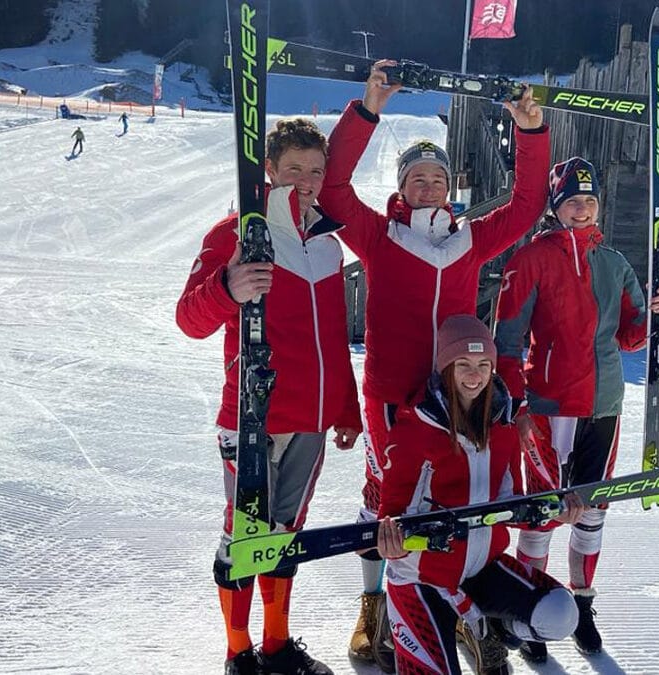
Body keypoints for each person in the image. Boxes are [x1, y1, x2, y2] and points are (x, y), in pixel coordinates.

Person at [316, 59, 550, 672]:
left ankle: (460, 611)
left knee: (462, 498)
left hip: (462, 395)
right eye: (417, 178)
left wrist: (530, 132)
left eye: (436, 178)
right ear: (402, 187)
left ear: (449, 187)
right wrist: (368, 108)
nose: (428, 187)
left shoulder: (469, 239)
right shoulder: (380, 237)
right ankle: (379, 607)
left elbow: (528, 207)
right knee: (387, 503)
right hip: (394, 398)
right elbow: (334, 192)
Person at [176, 118, 362, 675]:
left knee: (285, 534)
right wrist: (226, 288)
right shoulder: (238, 233)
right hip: (253, 416)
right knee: (244, 533)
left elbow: (334, 340)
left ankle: (277, 646)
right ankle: (239, 652)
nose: (306, 181)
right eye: (294, 169)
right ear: (270, 171)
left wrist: (345, 409)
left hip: (311, 421)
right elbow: (189, 318)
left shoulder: (328, 245)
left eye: (315, 170)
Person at [493, 157, 659, 660]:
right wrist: (518, 405)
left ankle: (582, 603)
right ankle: (531, 608)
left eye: (589, 201)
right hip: (549, 404)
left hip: (604, 403)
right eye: (572, 201)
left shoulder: (614, 262)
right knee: (543, 514)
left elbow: (632, 336)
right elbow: (506, 341)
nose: (582, 209)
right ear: (556, 208)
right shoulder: (530, 259)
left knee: (592, 511)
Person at [376, 314, 581, 675]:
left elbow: (510, 504)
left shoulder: (501, 426)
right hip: (421, 578)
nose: (475, 375)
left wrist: (553, 512)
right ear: (446, 369)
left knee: (561, 613)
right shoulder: (415, 429)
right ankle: (406, 621)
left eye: (484, 365)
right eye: (464, 365)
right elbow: (391, 512)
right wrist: (395, 543)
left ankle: (494, 627)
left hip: (482, 567)